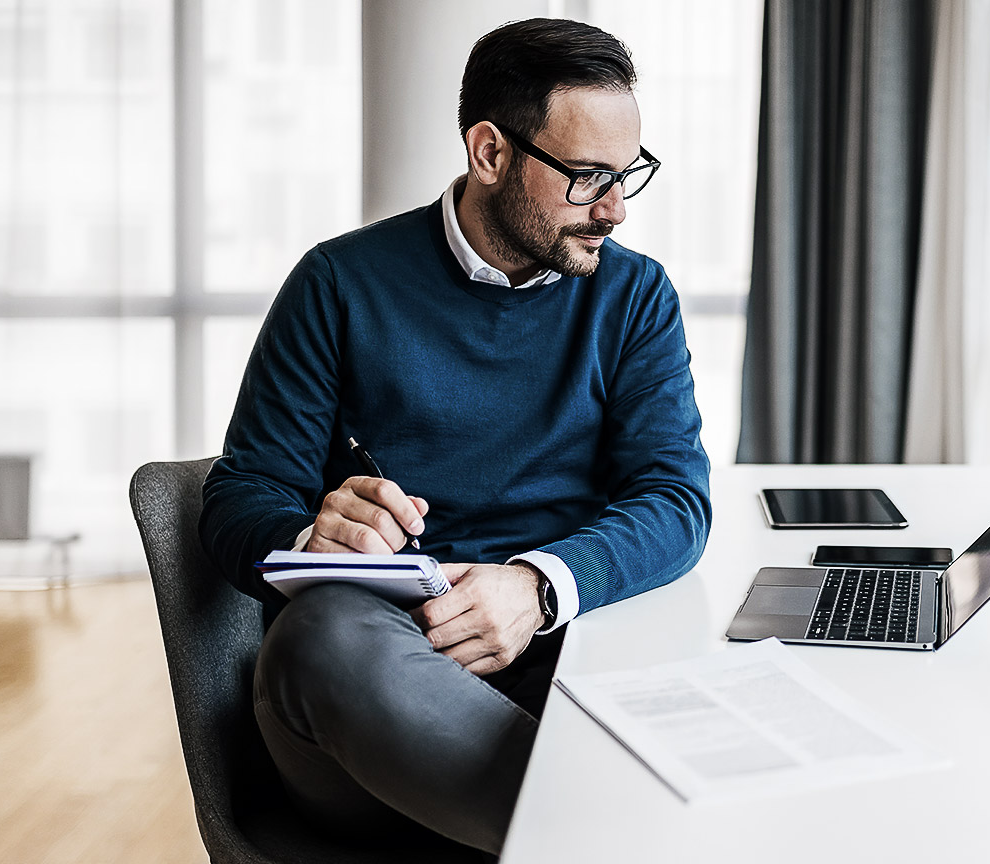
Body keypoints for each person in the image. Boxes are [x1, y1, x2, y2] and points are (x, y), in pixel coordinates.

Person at [198, 18, 711, 856]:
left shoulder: (635, 297)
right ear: (490, 152)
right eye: (588, 178)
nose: (615, 209)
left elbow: (675, 498)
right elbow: (239, 495)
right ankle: (599, 835)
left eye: (627, 175)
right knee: (317, 636)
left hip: (561, 661)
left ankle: (570, 828)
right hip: (373, 696)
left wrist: (536, 587)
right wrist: (310, 537)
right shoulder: (338, 283)